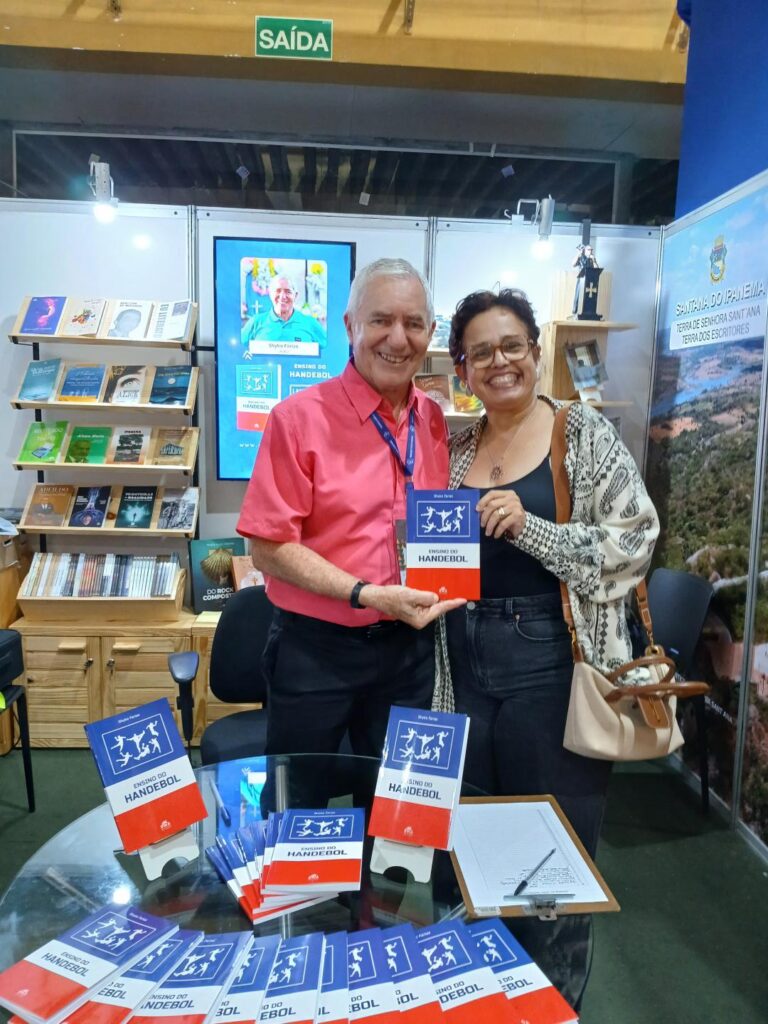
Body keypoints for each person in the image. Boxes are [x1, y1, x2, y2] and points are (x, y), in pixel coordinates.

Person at [439, 287, 659, 859]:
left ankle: (552, 925)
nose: (499, 362)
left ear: (536, 352)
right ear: (463, 371)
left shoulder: (584, 432)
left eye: (512, 346)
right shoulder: (455, 450)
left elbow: (635, 539)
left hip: (554, 661)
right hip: (460, 664)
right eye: (481, 353)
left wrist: (531, 529)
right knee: (471, 836)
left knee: (551, 846)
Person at [237, 258, 463, 759]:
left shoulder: (432, 419)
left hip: (410, 650)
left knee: (397, 797)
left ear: (430, 333)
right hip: (316, 652)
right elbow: (268, 548)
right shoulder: (297, 419)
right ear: (350, 325)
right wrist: (366, 594)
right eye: (381, 320)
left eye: (414, 323)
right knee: (298, 794)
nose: (398, 339)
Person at [241, 274, 327, 353]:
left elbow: (329, 352)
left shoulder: (310, 323)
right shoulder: (255, 322)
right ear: (270, 294)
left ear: (295, 295)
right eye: (278, 291)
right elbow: (238, 351)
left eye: (288, 291)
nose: (282, 296)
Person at [571, 243, 600, 316]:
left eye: (591, 250)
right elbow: (573, 264)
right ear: (585, 250)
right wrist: (578, 254)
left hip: (590, 281)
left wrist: (594, 260)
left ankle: (589, 311)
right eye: (589, 250)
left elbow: (597, 269)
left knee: (590, 296)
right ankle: (575, 311)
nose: (591, 251)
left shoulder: (592, 259)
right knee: (578, 295)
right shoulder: (581, 257)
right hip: (581, 280)